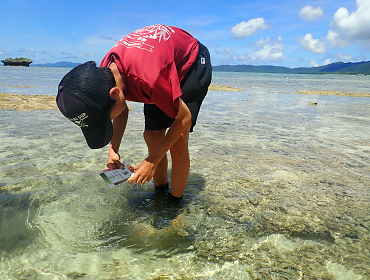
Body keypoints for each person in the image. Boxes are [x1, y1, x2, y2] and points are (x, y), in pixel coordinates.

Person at [56, 24, 212, 200]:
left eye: (105, 120)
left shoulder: (151, 79)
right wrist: (113, 149)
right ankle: (160, 194)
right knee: (152, 136)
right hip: (156, 66)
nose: (107, 123)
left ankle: (175, 204)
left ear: (114, 93)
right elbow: (120, 108)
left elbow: (184, 117)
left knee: (178, 142)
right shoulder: (102, 76)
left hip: (191, 62)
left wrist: (152, 161)